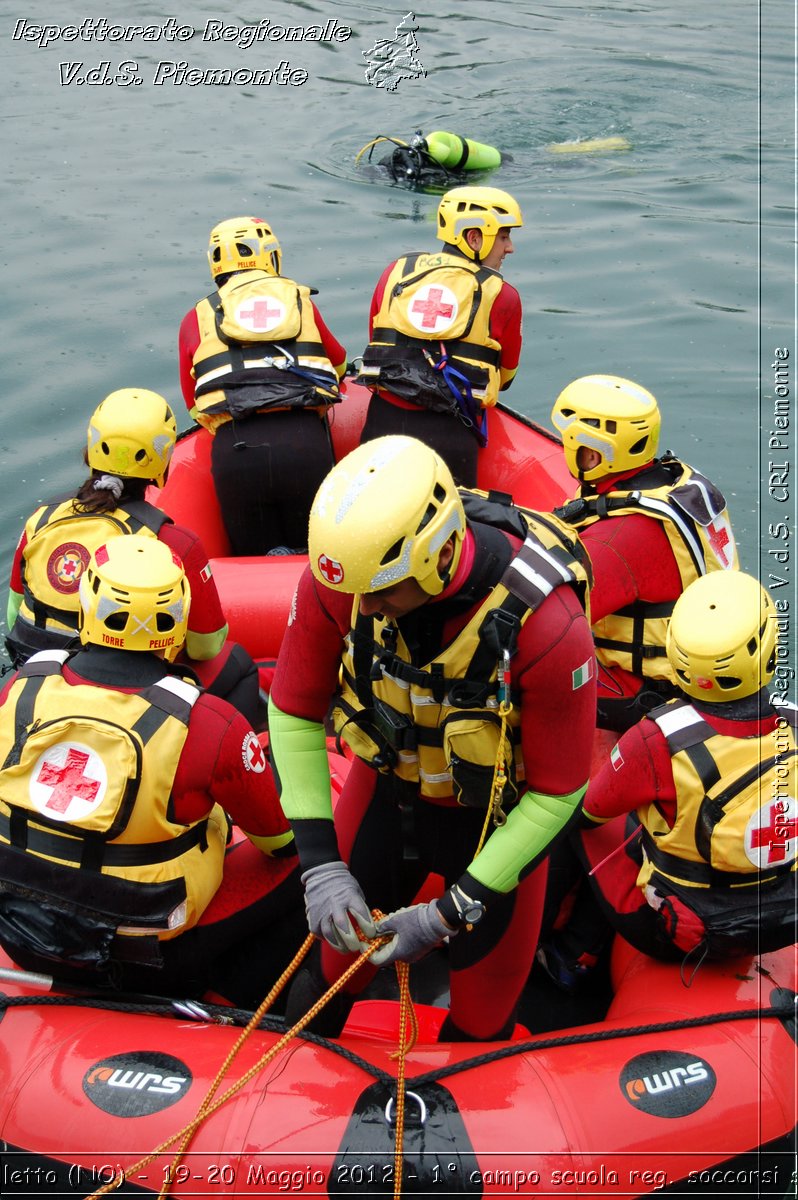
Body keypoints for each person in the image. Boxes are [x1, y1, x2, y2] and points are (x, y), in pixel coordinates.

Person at [267, 435, 596, 1042]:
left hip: (498, 825)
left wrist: (451, 911)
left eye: (382, 591)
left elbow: (558, 793)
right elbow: (291, 712)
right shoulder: (345, 580)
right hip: (386, 796)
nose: (362, 607)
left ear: (438, 556)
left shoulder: (549, 626)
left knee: (481, 1024)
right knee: (323, 981)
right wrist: (319, 865)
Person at [0, 537, 305, 1004]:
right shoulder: (209, 722)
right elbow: (278, 840)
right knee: (309, 856)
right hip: (148, 955)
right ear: (178, 620)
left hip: (20, 936)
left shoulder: (19, 688)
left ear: (87, 607)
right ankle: (251, 996)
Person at [538, 570, 796, 985]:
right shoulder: (795, 724)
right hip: (780, 922)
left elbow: (590, 811)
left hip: (680, 933)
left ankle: (571, 955)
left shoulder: (659, 737)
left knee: (576, 818)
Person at [5, 388, 261, 726]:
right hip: (123, 689)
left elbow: (14, 616)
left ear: (91, 447)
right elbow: (205, 648)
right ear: (163, 456)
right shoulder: (172, 542)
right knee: (239, 664)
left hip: (38, 674)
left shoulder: (40, 519)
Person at [550, 374, 739, 733]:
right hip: (704, 676)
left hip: (645, 695)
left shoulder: (617, 538)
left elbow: (551, 620)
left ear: (591, 453)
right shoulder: (678, 482)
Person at [178, 215, 348, 555]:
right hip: (303, 446)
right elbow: (338, 363)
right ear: (270, 256)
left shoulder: (196, 316)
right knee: (318, 561)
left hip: (237, 455)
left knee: (254, 572)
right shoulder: (299, 301)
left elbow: (194, 405)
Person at [356, 187, 524, 486]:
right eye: (503, 236)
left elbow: (378, 340)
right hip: (451, 437)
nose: (509, 247)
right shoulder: (503, 296)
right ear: (474, 237)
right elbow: (506, 378)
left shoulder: (395, 273)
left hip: (382, 426)